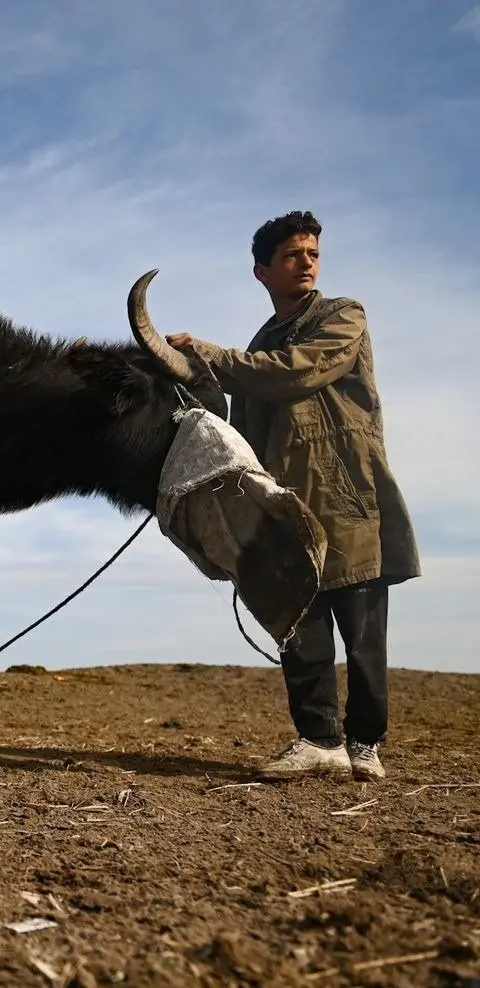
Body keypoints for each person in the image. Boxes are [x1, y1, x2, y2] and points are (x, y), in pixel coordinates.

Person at [165, 210, 420, 781]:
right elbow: (247, 418)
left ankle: (366, 744)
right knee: (298, 623)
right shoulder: (260, 345)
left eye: (312, 254)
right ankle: (319, 739)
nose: (305, 263)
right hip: (286, 503)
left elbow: (295, 372)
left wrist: (212, 355)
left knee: (362, 634)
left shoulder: (342, 317)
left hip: (349, 494)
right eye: (291, 256)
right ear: (263, 272)